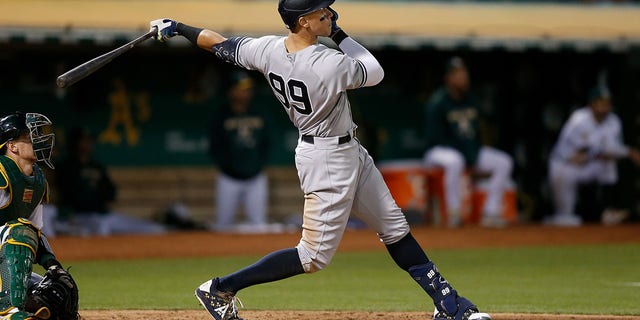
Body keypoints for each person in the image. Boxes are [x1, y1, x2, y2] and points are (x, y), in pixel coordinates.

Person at [150, 1, 491, 320]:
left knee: (395, 228)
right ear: (303, 21)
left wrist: (178, 27)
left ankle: (448, 304)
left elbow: (219, 44)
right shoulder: (326, 63)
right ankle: (220, 289)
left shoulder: (268, 49)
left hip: (348, 151)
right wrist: (340, 34)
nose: (329, 14)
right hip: (327, 158)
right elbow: (375, 71)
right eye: (321, 12)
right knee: (312, 256)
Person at [422, 56, 514, 228]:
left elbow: (479, 132)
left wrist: (473, 153)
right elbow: (434, 138)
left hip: (466, 152)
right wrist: (466, 153)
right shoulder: (438, 102)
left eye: (464, 74)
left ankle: (491, 212)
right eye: (458, 74)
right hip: (438, 152)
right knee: (455, 161)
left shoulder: (471, 99)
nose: (463, 78)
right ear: (448, 78)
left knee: (503, 162)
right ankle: (454, 214)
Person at [0, 111, 74, 319]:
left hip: (2, 256)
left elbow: (35, 232)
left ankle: (19, 307)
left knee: (50, 292)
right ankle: (8, 313)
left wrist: (52, 265)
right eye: (30, 137)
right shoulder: (1, 173)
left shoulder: (38, 180)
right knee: (18, 230)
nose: (38, 140)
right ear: (12, 145)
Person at [545, 85, 640, 227]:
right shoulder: (579, 119)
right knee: (567, 217)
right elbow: (583, 153)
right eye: (600, 103)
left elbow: (611, 150)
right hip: (565, 167)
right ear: (591, 104)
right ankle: (555, 222)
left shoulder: (613, 121)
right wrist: (629, 152)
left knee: (609, 163)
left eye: (607, 103)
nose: (604, 107)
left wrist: (625, 152)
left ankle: (607, 210)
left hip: (588, 165)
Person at [54, 126, 166, 236]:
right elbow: (73, 196)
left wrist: (94, 196)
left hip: (104, 214)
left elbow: (111, 192)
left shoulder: (97, 166)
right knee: (101, 228)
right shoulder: (66, 167)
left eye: (90, 140)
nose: (88, 144)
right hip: (81, 216)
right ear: (74, 142)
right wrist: (94, 196)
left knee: (154, 229)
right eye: (84, 140)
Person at [208, 71, 273, 233]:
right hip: (228, 178)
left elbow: (268, 142)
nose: (246, 93)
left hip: (256, 177)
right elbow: (214, 146)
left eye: (248, 89)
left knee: (259, 226)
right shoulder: (221, 115)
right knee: (223, 226)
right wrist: (227, 166)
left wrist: (258, 165)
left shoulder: (259, 113)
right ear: (231, 91)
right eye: (241, 89)